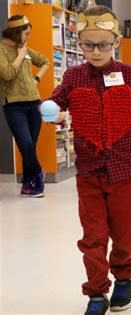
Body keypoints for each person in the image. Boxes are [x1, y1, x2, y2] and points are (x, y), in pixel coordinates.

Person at [47, 5, 131, 315]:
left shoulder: (129, 75)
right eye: (89, 44)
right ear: (80, 43)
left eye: (103, 44)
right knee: (93, 236)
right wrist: (51, 112)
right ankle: (97, 293)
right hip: (89, 171)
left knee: (126, 234)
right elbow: (55, 101)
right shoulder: (73, 76)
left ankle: (125, 278)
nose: (96, 51)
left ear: (115, 42)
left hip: (125, 171)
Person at [0, 15, 50, 197]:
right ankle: (38, 173)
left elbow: (45, 61)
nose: (28, 37)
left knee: (31, 146)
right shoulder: (2, 50)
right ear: (16, 32)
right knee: (26, 145)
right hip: (14, 106)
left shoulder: (26, 49)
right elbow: (6, 74)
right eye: (26, 34)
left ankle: (27, 185)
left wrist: (36, 78)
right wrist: (20, 56)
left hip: (34, 103)